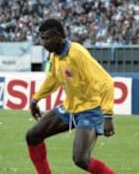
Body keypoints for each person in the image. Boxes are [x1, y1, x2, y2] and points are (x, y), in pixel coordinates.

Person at [26, 18, 116, 174]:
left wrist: (108, 116)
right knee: (33, 136)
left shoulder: (77, 53)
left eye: (47, 38)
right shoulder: (55, 55)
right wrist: (36, 99)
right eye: (41, 38)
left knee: (81, 159)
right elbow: (53, 78)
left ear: (59, 36)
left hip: (90, 110)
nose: (43, 43)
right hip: (69, 108)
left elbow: (106, 81)